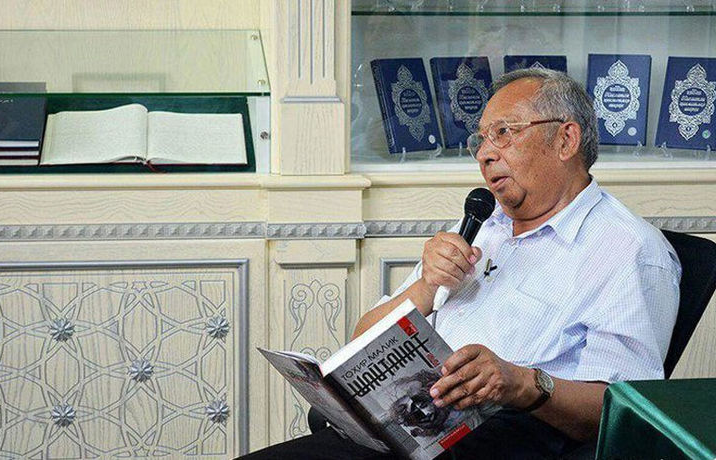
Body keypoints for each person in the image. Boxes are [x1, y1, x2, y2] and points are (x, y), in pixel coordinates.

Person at [240, 68, 681, 459]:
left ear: (566, 139)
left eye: (504, 133)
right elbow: (358, 345)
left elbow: (627, 412)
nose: (485, 154)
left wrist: (521, 383)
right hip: (412, 425)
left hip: (502, 437)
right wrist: (425, 287)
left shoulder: (628, 251)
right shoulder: (482, 225)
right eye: (481, 139)